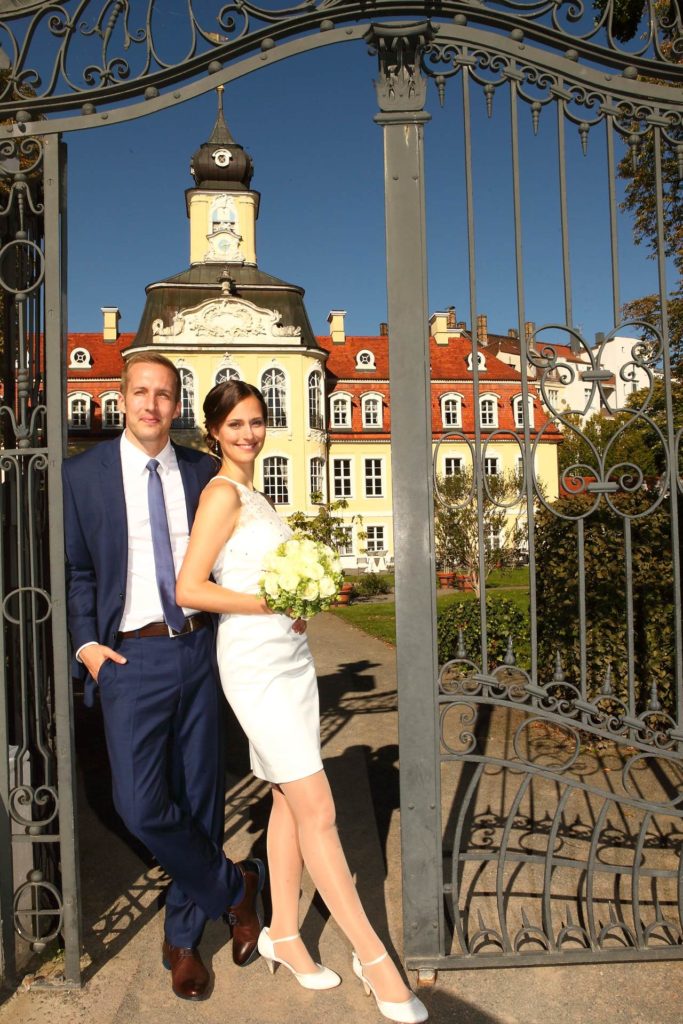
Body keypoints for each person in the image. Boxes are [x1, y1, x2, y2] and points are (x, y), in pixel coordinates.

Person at [176, 380, 428, 1024]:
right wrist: (268, 602)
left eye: (256, 422)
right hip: (255, 666)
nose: (248, 433)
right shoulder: (221, 493)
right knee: (318, 805)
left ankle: (283, 932)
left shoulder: (257, 493)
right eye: (234, 424)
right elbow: (190, 589)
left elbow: (262, 574)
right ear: (213, 431)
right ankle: (375, 960)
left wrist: (301, 600)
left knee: (288, 798)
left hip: (288, 658)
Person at [62, 353, 265, 1002]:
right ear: (120, 399)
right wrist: (88, 644)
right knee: (141, 804)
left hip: (198, 651)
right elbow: (75, 571)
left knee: (201, 797)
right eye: (140, 393)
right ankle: (236, 890)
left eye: (165, 395)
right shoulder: (82, 476)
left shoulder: (203, 472)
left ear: (178, 407)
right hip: (128, 660)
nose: (152, 405)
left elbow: (235, 556)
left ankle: (183, 940)